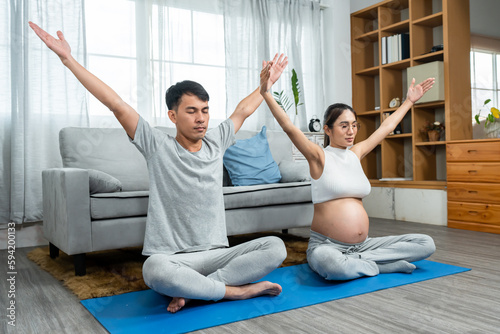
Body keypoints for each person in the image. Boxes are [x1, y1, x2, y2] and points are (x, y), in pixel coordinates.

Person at [29, 21, 288, 313]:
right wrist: (68, 59)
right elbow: (116, 103)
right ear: (173, 115)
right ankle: (234, 292)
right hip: (173, 258)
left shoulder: (217, 142)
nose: (201, 118)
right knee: (153, 271)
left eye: (205, 110)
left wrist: (266, 87)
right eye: (191, 111)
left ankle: (197, 291)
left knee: (275, 247)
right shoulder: (157, 145)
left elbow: (242, 110)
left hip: (217, 254)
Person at [260, 60, 436, 281]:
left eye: (354, 125)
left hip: (366, 244)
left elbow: (386, 127)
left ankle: (364, 260)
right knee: (331, 265)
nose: (351, 131)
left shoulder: (356, 153)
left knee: (425, 243)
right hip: (328, 247)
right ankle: (382, 265)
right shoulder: (318, 156)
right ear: (328, 129)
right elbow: (288, 126)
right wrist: (266, 92)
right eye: (344, 126)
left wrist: (409, 101)